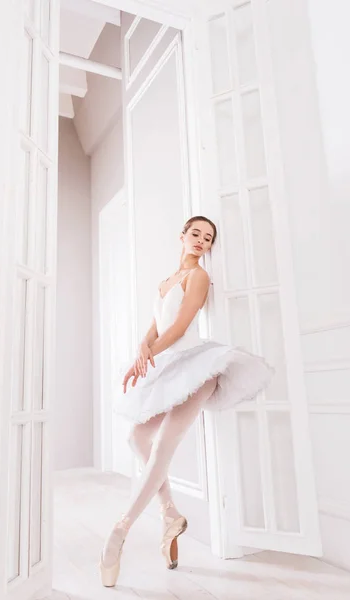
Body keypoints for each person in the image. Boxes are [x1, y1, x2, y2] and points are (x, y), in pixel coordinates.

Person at [99, 216, 273, 587]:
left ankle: (120, 530)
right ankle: (169, 513)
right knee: (136, 437)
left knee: (162, 443)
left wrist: (147, 357)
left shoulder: (199, 277)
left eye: (208, 238)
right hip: (169, 366)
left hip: (197, 365)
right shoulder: (165, 282)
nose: (201, 241)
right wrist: (141, 351)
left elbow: (179, 328)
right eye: (195, 234)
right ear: (182, 236)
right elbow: (156, 328)